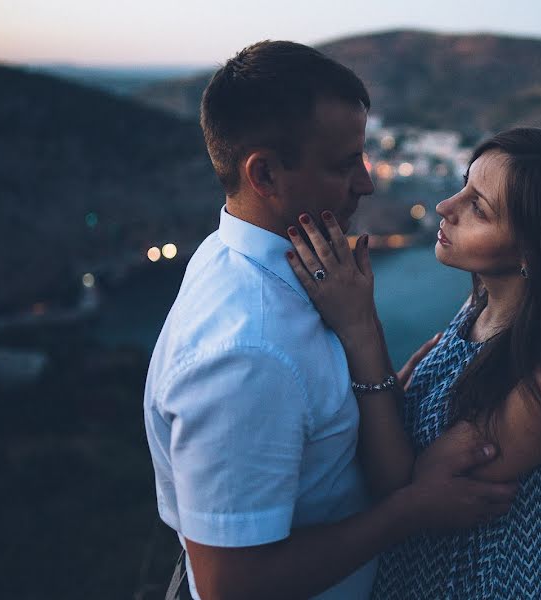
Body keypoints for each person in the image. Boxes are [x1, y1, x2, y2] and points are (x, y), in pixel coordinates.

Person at [143, 40, 517, 600]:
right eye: (345, 165)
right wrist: (409, 511)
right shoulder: (247, 352)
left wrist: (380, 386)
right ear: (264, 174)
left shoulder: (248, 259)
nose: (367, 183)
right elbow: (232, 585)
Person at [285, 127, 541, 599]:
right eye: (463, 186)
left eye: (478, 207)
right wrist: (392, 392)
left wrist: (360, 330)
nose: (445, 206)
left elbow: (404, 489)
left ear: (536, 250)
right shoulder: (479, 313)